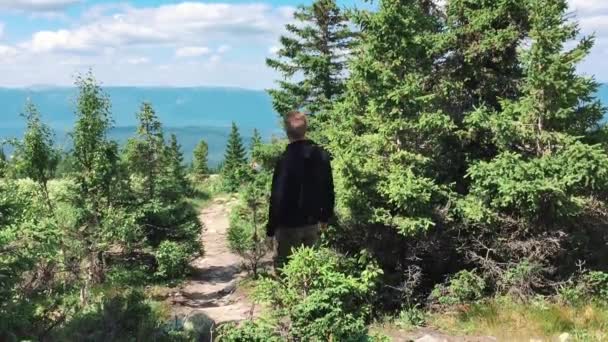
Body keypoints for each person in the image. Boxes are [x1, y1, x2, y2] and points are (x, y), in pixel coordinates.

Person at [266, 111, 335, 271]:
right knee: (311, 271)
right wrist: (325, 217)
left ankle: (288, 296)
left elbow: (278, 197)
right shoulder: (321, 155)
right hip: (313, 223)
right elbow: (328, 188)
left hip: (288, 226)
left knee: (286, 271)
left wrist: (271, 229)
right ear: (306, 129)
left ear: (287, 132)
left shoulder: (284, 160)